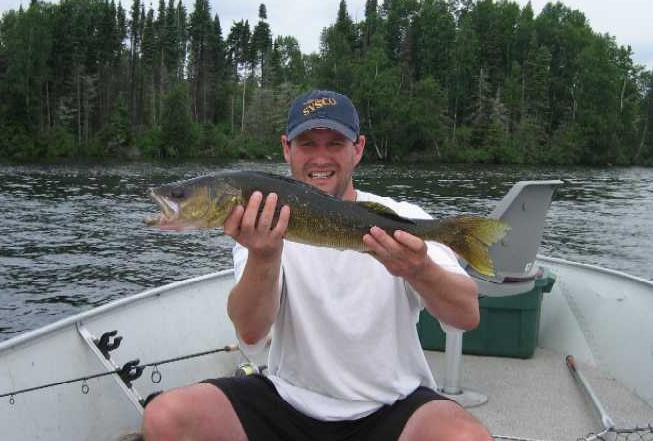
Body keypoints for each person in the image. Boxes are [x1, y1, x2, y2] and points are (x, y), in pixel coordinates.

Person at [141, 90, 492, 441]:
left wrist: (420, 270)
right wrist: (264, 256)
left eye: (335, 143)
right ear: (287, 148)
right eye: (307, 143)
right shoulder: (258, 225)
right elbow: (250, 335)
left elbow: (466, 315)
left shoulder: (404, 219)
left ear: (358, 148)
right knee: (165, 418)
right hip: (287, 402)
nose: (320, 157)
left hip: (392, 405)